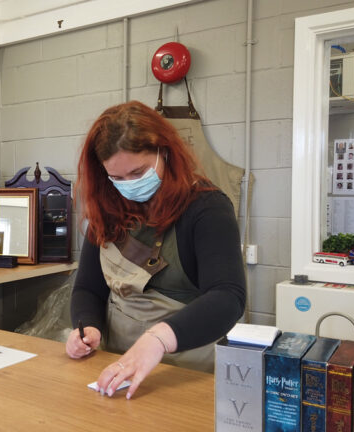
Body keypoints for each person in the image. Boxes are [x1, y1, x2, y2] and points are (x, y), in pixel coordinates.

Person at [66, 101, 245, 399]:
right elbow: (88, 288)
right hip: (116, 366)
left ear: (164, 152)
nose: (128, 186)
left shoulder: (207, 207)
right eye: (117, 178)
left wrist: (158, 340)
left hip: (185, 372)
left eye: (138, 172)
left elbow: (229, 297)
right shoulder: (107, 206)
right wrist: (88, 329)